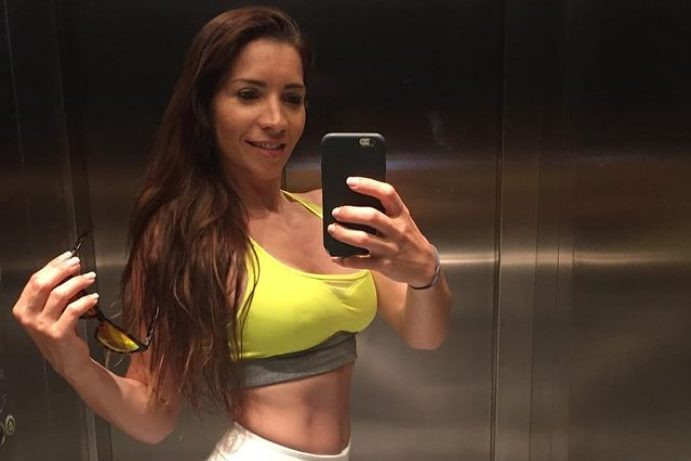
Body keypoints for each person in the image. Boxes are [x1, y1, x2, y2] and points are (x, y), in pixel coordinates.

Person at [11, 6, 451, 460]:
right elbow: (153, 413)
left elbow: (426, 335)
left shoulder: (335, 212)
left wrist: (426, 273)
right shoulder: (183, 237)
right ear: (206, 107)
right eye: (248, 94)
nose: (276, 119)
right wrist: (71, 362)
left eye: (292, 98)